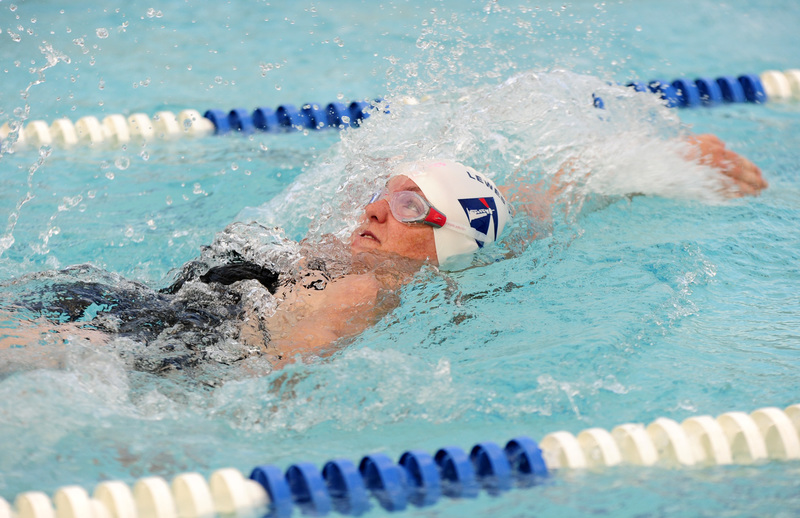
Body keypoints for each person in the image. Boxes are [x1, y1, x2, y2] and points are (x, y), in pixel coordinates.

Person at [0, 134, 767, 376]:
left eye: (408, 207)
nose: (375, 207)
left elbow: (265, 378)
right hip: (131, 296)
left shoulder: (360, 295)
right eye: (383, 192)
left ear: (442, 243)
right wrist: (668, 160)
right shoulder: (384, 254)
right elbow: (534, 200)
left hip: (146, 341)